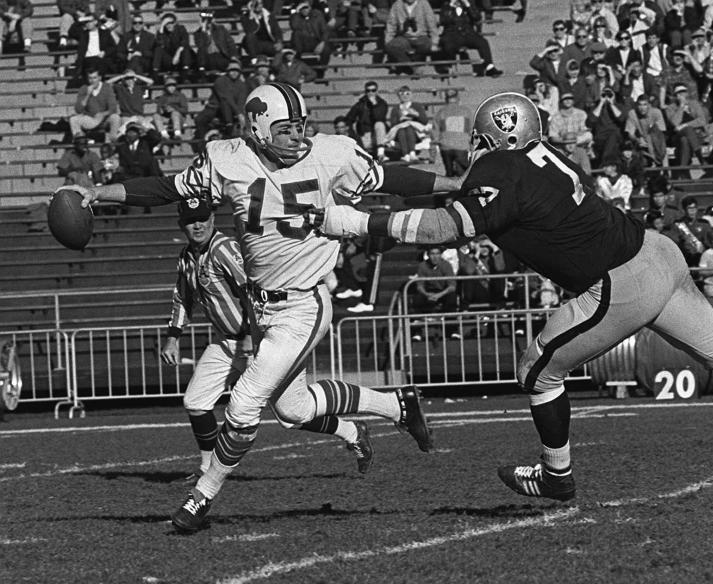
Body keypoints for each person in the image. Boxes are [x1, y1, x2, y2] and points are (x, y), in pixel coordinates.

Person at [314, 92, 713, 501]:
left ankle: (556, 478)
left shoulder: (503, 172)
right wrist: (381, 178)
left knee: (538, 371)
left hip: (618, 281)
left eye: (478, 139)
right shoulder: (536, 158)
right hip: (656, 253)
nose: (472, 149)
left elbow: (448, 226)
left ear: (494, 136)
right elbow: (461, 186)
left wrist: (357, 224)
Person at [59, 82, 459, 531]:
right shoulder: (228, 158)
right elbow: (164, 187)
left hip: (304, 304)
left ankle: (200, 499)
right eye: (285, 128)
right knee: (294, 411)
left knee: (245, 402)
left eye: (301, 127)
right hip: (262, 308)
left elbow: (392, 177)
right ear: (256, 128)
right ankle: (397, 406)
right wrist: (99, 193)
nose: (297, 137)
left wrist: (455, 183)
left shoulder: (332, 152)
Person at [159, 199, 258, 482]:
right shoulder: (186, 256)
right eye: (191, 220)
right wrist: (173, 337)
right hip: (225, 344)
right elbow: (182, 297)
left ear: (213, 218)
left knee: (292, 413)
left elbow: (252, 290)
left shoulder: (224, 248)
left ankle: (350, 431)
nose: (198, 224)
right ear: (182, 225)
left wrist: (253, 333)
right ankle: (207, 469)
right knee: (196, 401)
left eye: (202, 217)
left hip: (255, 343)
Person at [438, 0, 503, 78]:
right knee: (448, 44)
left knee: (483, 42)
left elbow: (477, 17)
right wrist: (450, 8)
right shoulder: (446, 5)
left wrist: (468, 6)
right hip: (452, 34)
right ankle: (449, 66)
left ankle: (489, 67)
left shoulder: (470, 4)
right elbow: (443, 21)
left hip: (468, 34)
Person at [383, 0, 439, 75]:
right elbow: (391, 24)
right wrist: (388, 41)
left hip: (421, 36)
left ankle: (413, 64)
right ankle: (413, 67)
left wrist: (435, 42)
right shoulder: (397, 4)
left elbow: (431, 23)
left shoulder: (423, 3)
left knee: (426, 44)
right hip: (404, 37)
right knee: (391, 46)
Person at [69, 68, 121, 143]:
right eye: (90, 78)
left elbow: (113, 108)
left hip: (104, 119)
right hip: (90, 118)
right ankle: (80, 140)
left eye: (94, 78)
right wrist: (87, 95)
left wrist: (103, 114)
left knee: (115, 117)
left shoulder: (107, 88)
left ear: (99, 78)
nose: (92, 81)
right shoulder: (83, 89)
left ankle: (113, 140)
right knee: (73, 119)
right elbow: (78, 109)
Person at [344, 81, 389, 160]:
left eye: (373, 90)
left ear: (377, 91)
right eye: (368, 91)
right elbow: (349, 119)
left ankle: (381, 153)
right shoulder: (360, 104)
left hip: (379, 136)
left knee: (379, 124)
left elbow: (379, 118)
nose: (371, 93)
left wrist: (374, 105)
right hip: (366, 136)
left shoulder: (382, 103)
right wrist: (353, 134)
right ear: (365, 92)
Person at [433, 88, 472, 177]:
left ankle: (451, 187)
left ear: (446, 99)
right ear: (458, 98)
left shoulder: (441, 112)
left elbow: (435, 131)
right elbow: (471, 129)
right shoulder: (466, 111)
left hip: (445, 146)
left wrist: (437, 144)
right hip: (462, 146)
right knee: (462, 174)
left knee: (449, 173)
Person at [413, 245, 457, 313]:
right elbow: (420, 285)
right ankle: (421, 318)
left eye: (437, 254)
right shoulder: (422, 265)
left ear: (440, 255)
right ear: (428, 255)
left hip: (443, 291)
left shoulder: (446, 265)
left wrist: (439, 295)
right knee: (418, 298)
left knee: (452, 297)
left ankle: (449, 320)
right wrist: (427, 294)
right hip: (428, 291)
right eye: (432, 254)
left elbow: (452, 286)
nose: (435, 257)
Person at [153, 75, 189, 141]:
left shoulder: (180, 96)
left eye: (173, 85)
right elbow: (158, 111)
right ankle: (164, 134)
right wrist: (163, 110)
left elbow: (185, 110)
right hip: (167, 117)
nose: (171, 87)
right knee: (155, 115)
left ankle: (177, 134)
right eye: (169, 86)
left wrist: (174, 109)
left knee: (174, 113)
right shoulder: (162, 98)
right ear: (166, 87)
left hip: (179, 118)